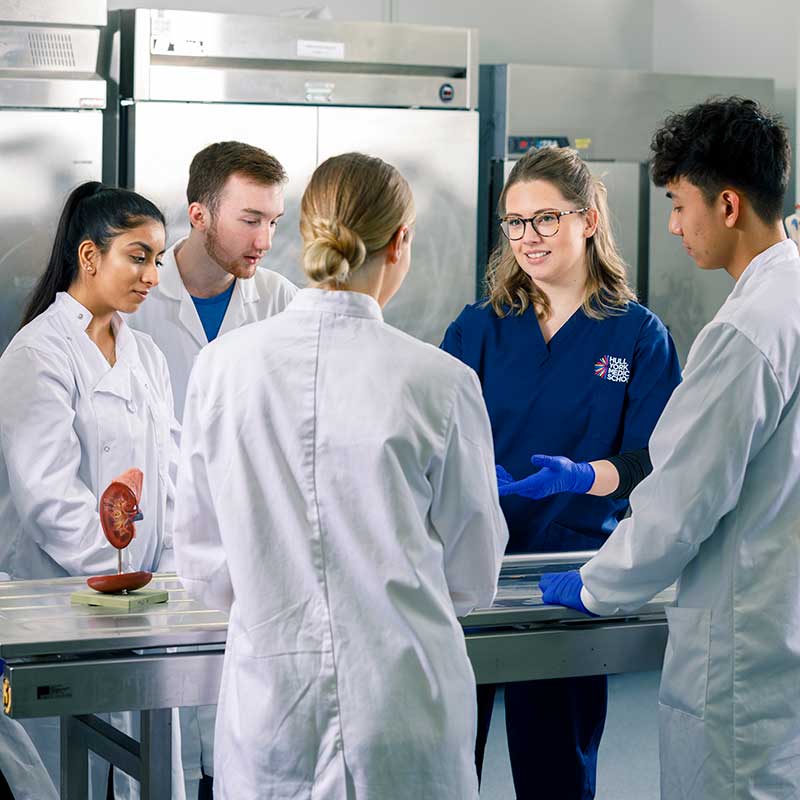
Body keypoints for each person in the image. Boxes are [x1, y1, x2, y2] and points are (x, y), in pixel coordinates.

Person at [173, 152, 508, 799]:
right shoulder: (439, 381)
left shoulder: (222, 368)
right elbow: (473, 571)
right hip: (403, 705)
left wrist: (281, 603)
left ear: (306, 232)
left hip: (272, 710)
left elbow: (201, 558)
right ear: (401, 241)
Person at [540, 98, 800, 799]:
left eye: (679, 204)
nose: (674, 225)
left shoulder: (746, 332)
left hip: (745, 649)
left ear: (727, 205)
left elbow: (682, 499)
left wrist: (598, 584)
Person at [440, 145, 681, 799]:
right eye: (516, 222)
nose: (529, 236)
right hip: (470, 570)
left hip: (570, 576)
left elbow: (656, 460)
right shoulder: (478, 329)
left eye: (546, 218)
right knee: (444, 762)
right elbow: (428, 438)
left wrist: (581, 477)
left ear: (589, 219)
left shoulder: (637, 335)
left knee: (556, 773)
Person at [0, 182, 184, 799]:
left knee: (141, 772)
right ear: (89, 256)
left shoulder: (146, 354)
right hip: (59, 606)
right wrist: (123, 579)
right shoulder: (37, 352)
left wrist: (168, 576)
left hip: (142, 611)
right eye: (138, 256)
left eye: (158, 259)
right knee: (65, 776)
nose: (152, 276)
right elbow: (49, 498)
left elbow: (171, 477)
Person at [128, 140, 297, 423]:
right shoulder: (132, 301)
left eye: (273, 222)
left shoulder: (283, 303)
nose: (265, 242)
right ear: (199, 216)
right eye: (250, 221)